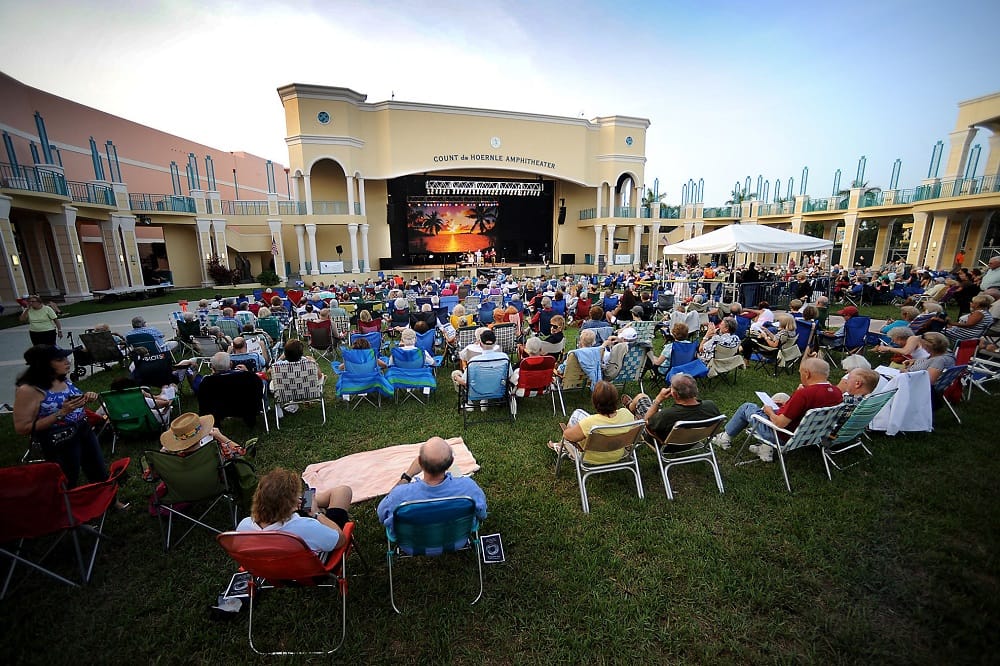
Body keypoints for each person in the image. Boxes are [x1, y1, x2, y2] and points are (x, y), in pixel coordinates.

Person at [12, 345, 108, 488]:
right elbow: (22, 428)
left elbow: (69, 401)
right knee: (68, 476)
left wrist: (85, 398)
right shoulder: (29, 390)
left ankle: (110, 499)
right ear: (44, 363)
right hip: (59, 437)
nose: (67, 361)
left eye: (66, 357)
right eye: (60, 359)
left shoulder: (62, 379)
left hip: (82, 427)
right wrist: (61, 413)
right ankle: (68, 506)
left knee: (97, 467)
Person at [712, 357, 843, 461]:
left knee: (747, 407)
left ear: (807, 374)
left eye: (801, 373)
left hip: (782, 436)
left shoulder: (805, 394)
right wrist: (790, 401)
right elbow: (805, 408)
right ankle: (765, 450)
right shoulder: (837, 392)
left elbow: (780, 423)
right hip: (808, 436)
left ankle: (724, 438)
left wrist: (768, 411)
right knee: (781, 396)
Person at [377, 437, 487, 548]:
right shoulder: (468, 488)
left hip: (413, 545)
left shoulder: (399, 495)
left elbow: (382, 515)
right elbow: (482, 513)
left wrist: (407, 476)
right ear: (451, 463)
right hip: (456, 541)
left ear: (420, 462)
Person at [238, 468, 352, 555]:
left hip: (272, 570)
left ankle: (311, 503)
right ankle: (315, 506)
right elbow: (340, 541)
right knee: (343, 491)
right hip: (313, 570)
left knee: (315, 499)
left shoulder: (244, 527)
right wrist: (317, 513)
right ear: (290, 505)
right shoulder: (306, 527)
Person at [549, 380, 635, 464]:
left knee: (577, 414)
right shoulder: (626, 414)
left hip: (588, 458)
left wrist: (568, 430)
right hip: (617, 455)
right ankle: (561, 445)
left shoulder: (591, 423)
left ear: (595, 401)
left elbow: (567, 436)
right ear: (616, 399)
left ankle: (562, 446)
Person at [624, 373, 721, 444]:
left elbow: (646, 423)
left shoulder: (668, 415)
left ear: (674, 394)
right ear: (696, 390)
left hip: (666, 444)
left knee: (641, 397)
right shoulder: (710, 406)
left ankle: (633, 414)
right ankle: (633, 411)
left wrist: (658, 400)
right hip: (693, 440)